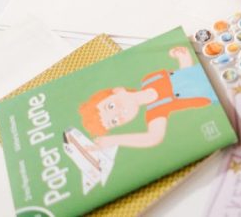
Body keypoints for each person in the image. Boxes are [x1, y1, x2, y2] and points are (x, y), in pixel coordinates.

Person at [79, 45, 216, 150]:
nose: (118, 113)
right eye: (114, 121)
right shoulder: (155, 112)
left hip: (207, 65)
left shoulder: (149, 79)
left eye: (110, 106)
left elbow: (183, 73)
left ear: (118, 91)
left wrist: (183, 56)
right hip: (215, 91)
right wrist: (114, 140)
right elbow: (152, 138)